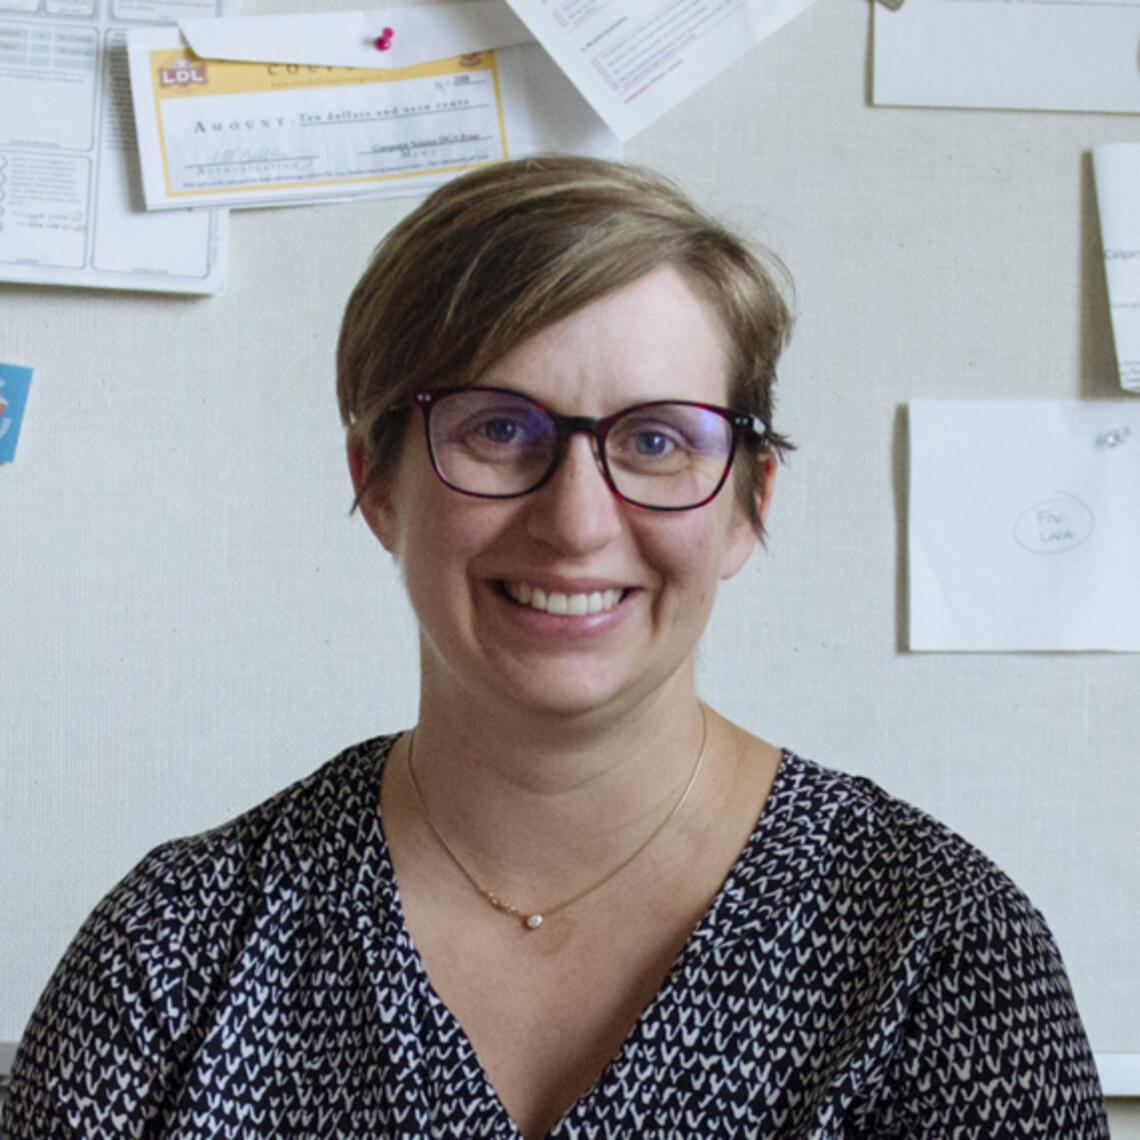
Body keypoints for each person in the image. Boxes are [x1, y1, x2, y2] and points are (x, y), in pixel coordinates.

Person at [3, 156, 1107, 1139]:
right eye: (497, 429)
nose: (577, 521)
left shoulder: (941, 952)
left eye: (658, 439)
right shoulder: (175, 949)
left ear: (747, 503)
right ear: (374, 483)